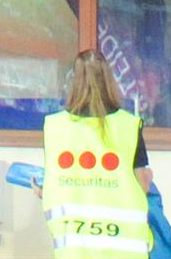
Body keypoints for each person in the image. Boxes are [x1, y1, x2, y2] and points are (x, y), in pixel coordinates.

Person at [38, 50, 151, 255]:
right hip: (123, 249)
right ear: (109, 79)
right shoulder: (128, 125)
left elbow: (52, 184)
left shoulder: (55, 127)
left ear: (73, 81)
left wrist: (40, 189)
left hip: (75, 250)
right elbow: (142, 182)